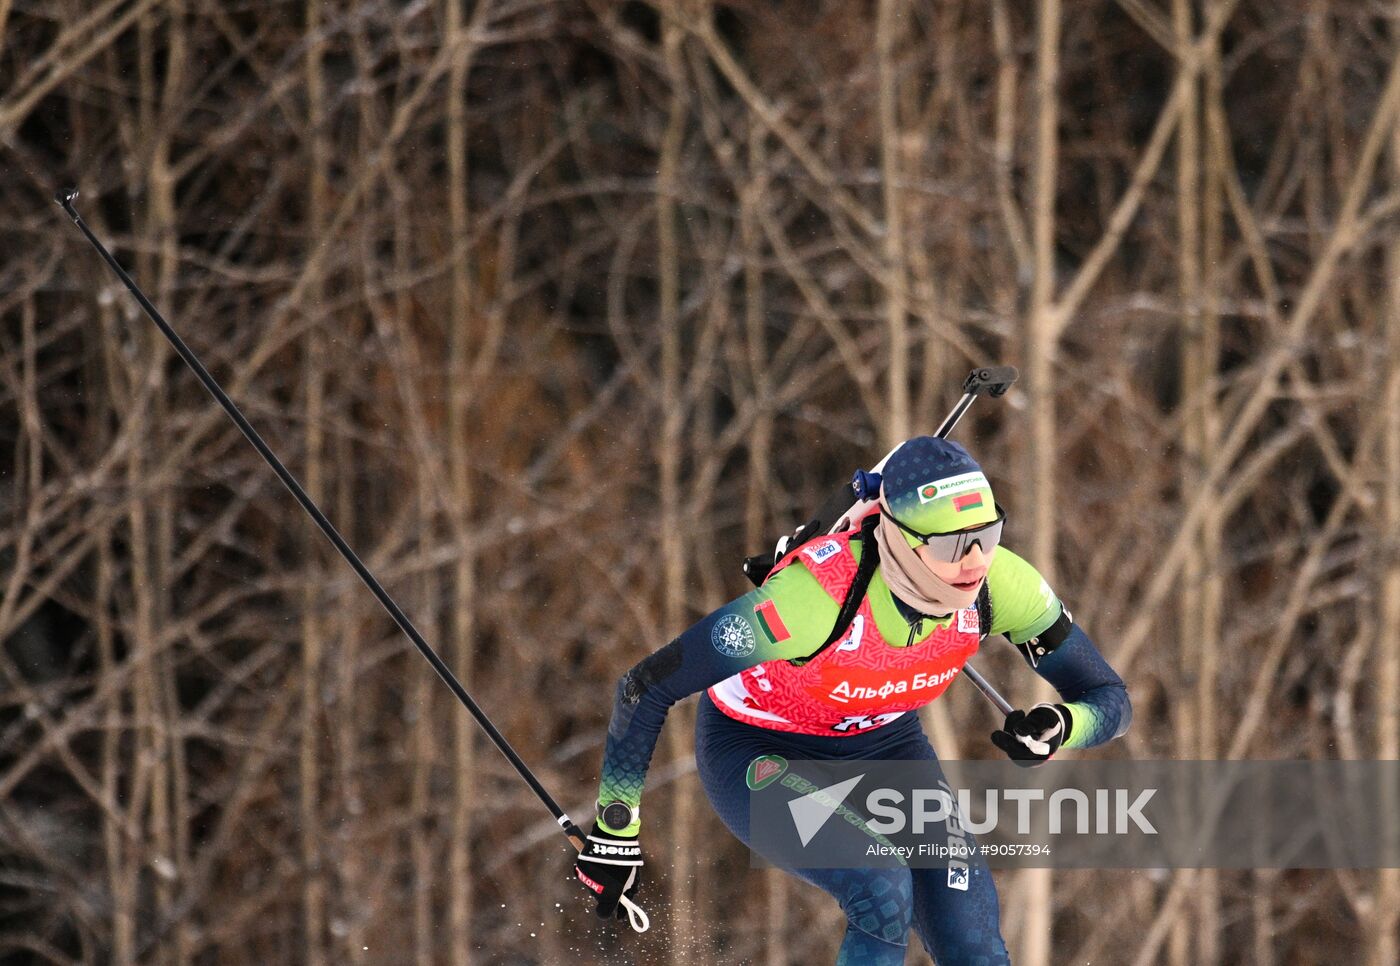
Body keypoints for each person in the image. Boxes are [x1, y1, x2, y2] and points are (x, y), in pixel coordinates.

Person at [573, 437, 1131, 964]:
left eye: (987, 536)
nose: (975, 563)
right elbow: (644, 686)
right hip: (760, 749)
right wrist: (614, 830)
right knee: (879, 881)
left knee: (973, 940)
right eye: (952, 545)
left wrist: (1063, 725)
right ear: (901, 539)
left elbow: (1108, 698)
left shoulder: (1000, 586)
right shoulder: (810, 601)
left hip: (886, 747)